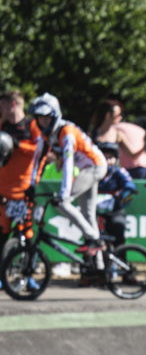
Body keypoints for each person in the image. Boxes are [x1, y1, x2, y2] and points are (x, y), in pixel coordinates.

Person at [29, 93, 108, 255]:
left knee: (63, 203)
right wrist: (30, 185)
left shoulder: (67, 132)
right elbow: (37, 161)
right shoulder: (46, 135)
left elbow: (68, 163)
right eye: (40, 117)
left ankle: (94, 239)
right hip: (87, 169)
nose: (43, 121)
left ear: (55, 116)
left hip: (94, 166)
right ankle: (98, 268)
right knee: (88, 214)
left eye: (47, 117)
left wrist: (65, 193)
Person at [0, 90, 48, 254]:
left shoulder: (32, 126)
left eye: (2, 106)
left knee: (27, 232)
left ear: (12, 105)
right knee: (2, 234)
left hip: (23, 190)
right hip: (3, 190)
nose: (1, 110)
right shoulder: (2, 126)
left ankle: (28, 275)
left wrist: (18, 145)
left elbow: (40, 151)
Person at [84, 142, 137, 286]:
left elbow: (130, 184)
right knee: (89, 238)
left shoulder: (119, 172)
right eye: (104, 157)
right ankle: (91, 272)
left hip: (114, 212)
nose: (108, 161)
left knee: (118, 234)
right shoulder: (93, 171)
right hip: (94, 213)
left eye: (111, 158)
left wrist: (126, 192)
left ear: (116, 159)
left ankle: (125, 271)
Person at [89, 99, 146, 179]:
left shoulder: (118, 135)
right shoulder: (91, 135)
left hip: (112, 178)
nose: (121, 117)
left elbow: (132, 155)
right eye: (118, 115)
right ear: (108, 115)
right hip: (96, 176)